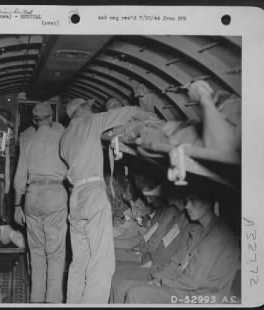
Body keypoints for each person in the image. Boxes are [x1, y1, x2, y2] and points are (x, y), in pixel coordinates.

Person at [59, 97, 158, 303]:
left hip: (75, 197)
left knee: (79, 263)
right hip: (93, 192)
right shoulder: (91, 122)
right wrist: (153, 117)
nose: (92, 108)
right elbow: (128, 111)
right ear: (80, 109)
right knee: (101, 263)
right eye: (88, 105)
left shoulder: (65, 136)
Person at [110, 185, 240, 304]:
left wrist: (161, 281)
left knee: (136, 293)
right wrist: (159, 277)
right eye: (187, 201)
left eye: (193, 201)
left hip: (202, 297)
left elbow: (192, 281)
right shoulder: (200, 231)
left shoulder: (218, 235)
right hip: (184, 285)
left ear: (209, 204)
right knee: (121, 286)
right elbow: (178, 262)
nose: (187, 206)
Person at [13, 101, 68, 303]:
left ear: (34, 121)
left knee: (36, 251)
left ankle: (36, 300)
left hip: (32, 195)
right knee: (54, 253)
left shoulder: (29, 141)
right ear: (51, 117)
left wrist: (17, 206)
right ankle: (53, 302)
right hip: (54, 193)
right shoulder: (62, 138)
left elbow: (19, 178)